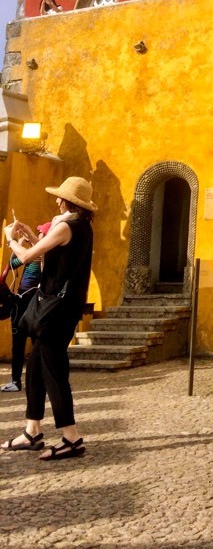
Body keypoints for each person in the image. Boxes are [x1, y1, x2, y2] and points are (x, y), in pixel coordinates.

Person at [2, 177, 97, 460]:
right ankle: (32, 430)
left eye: (60, 198)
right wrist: (32, 234)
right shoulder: (81, 228)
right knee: (35, 366)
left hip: (55, 310)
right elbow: (50, 260)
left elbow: (28, 258)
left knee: (54, 372)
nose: (56, 201)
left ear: (70, 202)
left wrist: (10, 240)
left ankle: (71, 437)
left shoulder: (67, 226)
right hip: (61, 308)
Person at [0, 222, 48, 393]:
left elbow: (14, 263)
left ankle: (19, 380)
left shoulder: (42, 252)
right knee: (24, 343)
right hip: (26, 300)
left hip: (27, 300)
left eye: (41, 233)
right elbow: (13, 264)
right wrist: (19, 245)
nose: (38, 235)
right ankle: (22, 380)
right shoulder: (38, 251)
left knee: (23, 342)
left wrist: (16, 243)